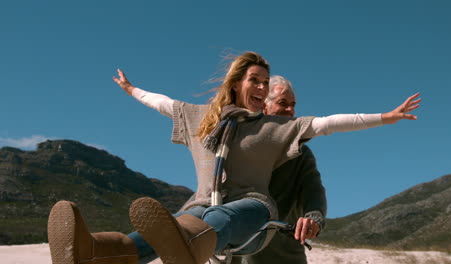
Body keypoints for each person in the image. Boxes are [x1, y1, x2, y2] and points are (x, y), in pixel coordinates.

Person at [47, 51, 421, 264]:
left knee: (219, 217)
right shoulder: (202, 119)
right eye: (257, 83)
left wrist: (386, 117)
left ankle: (191, 245)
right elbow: (162, 103)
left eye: (267, 83)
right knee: (168, 228)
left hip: (262, 226)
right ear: (238, 84)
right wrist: (131, 90)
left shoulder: (285, 135)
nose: (286, 109)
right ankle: (95, 251)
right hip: (217, 231)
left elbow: (329, 125)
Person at [230, 75, 326, 264]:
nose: (291, 110)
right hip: (239, 252)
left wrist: (314, 216)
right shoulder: (238, 144)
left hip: (286, 254)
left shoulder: (300, 153)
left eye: (293, 104)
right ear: (263, 106)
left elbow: (314, 189)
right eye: (283, 103)